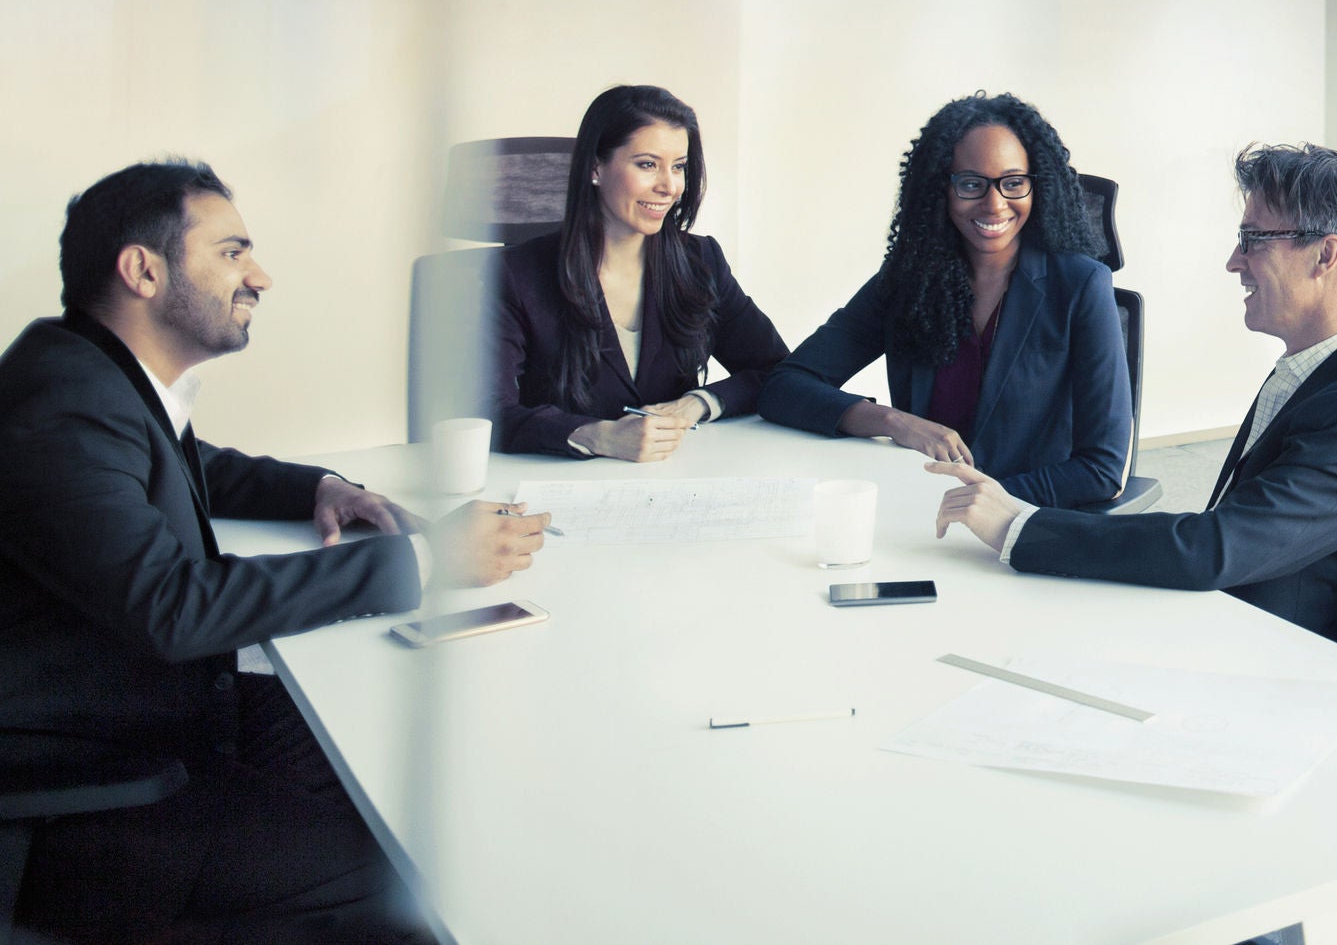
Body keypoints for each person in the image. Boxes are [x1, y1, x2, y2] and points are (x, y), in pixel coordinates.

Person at [0, 160, 547, 943]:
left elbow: (194, 464)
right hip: (90, 788)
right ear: (142, 270)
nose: (260, 275)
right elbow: (175, 606)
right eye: (231, 251)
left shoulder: (90, 375)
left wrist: (317, 487)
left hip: (145, 717)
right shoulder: (63, 407)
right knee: (410, 870)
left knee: (385, 769)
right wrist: (430, 563)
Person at [929, 143, 1337, 644]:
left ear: (1326, 254)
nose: (1235, 261)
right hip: (1220, 621)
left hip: (1256, 662)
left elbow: (1214, 548)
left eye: (1253, 239)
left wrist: (1019, 527)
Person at [760, 92, 1132, 509]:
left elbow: (1102, 469)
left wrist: (974, 500)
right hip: (918, 512)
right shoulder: (909, 281)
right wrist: (892, 422)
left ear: (1037, 186)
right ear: (941, 190)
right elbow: (785, 386)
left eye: (1013, 183)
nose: (995, 204)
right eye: (971, 184)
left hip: (1024, 522)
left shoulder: (1080, 285)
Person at [491, 85, 789, 460]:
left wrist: (698, 403)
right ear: (595, 168)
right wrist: (595, 435)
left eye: (678, 166)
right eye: (647, 164)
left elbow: (777, 370)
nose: (669, 186)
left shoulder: (701, 260)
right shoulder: (517, 274)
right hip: (563, 485)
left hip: (676, 479)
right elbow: (487, 412)